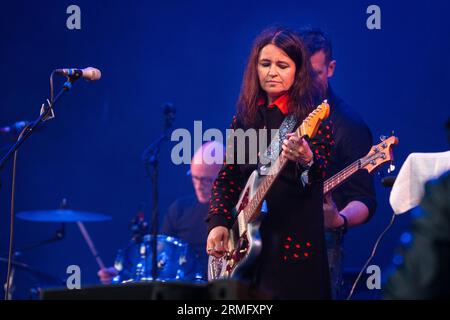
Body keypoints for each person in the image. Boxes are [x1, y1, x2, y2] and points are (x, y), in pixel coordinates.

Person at [206, 27, 334, 299]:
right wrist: (218, 222)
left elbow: (317, 178)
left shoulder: (310, 117)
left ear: (297, 70)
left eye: (282, 65)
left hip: (292, 258)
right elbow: (227, 179)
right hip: (247, 260)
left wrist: (307, 160)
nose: (272, 72)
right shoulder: (246, 119)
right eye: (265, 64)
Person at [299, 28, 377, 299]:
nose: (306, 84)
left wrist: (339, 220)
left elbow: (365, 199)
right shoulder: (281, 115)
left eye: (315, 74)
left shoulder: (350, 125)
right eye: (300, 75)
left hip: (319, 248)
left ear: (330, 68)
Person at [98, 141, 224, 284]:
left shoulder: (235, 208)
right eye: (194, 178)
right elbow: (159, 258)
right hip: (185, 290)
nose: (198, 186)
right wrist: (122, 273)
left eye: (206, 180)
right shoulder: (179, 210)